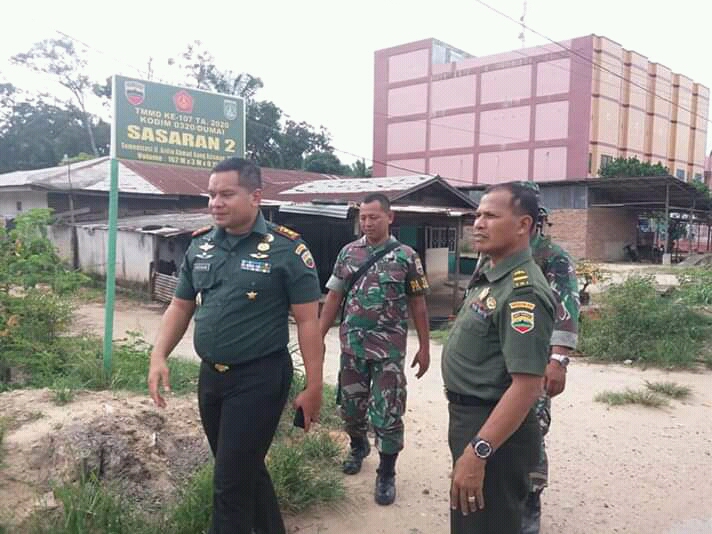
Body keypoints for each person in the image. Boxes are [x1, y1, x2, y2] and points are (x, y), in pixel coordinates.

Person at [147, 157, 324, 534]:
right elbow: (180, 306)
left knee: (229, 485)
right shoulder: (201, 246)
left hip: (259, 378)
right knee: (244, 469)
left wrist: (314, 386)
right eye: (211, 195)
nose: (215, 203)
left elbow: (309, 322)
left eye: (226, 194)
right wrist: (158, 354)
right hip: (212, 377)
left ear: (255, 197)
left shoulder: (286, 249)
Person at [442, 182, 555, 534]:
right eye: (477, 215)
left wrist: (479, 451)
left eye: (490, 216)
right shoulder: (493, 277)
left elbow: (527, 387)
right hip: (472, 418)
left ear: (523, 225)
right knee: (470, 522)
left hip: (493, 429)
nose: (478, 223)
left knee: (486, 524)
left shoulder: (523, 292)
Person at [318, 193, 431, 506]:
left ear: (390, 217)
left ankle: (386, 472)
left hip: (388, 353)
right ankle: (358, 446)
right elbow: (333, 297)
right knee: (350, 408)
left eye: (374, 217)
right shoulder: (348, 253)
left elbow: (419, 304)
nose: (367, 223)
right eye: (363, 218)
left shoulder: (407, 257)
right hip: (352, 348)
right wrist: (318, 336)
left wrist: (424, 346)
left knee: (388, 412)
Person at [522, 190, 580, 534]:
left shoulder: (553, 257)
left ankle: (531, 498)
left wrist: (558, 359)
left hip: (536, 360)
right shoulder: (494, 254)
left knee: (531, 427)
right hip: (498, 359)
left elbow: (567, 307)